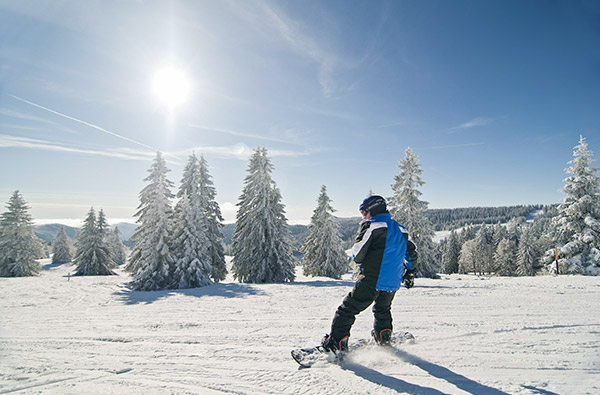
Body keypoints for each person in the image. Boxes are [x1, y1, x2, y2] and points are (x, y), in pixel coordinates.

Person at [321, 195, 417, 353]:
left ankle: (336, 345)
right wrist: (410, 272)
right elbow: (412, 255)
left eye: (364, 211)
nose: (363, 215)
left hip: (372, 279)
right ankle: (383, 336)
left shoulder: (372, 226)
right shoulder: (402, 230)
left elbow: (357, 255)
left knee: (347, 310)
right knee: (383, 308)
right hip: (393, 282)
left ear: (373, 209)